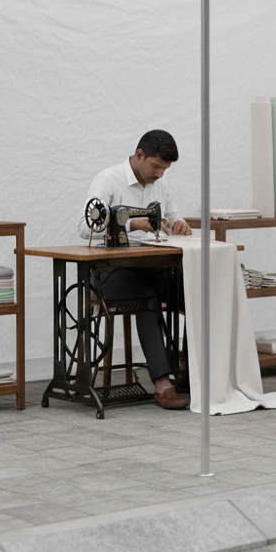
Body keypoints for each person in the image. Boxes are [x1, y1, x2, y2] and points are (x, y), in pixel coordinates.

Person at [78, 129, 193, 410]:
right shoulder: (108, 180)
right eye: (156, 167)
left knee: (195, 292)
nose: (160, 175)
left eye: (165, 169)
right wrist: (129, 224)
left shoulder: (161, 187)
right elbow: (84, 228)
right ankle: (163, 384)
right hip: (111, 270)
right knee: (147, 299)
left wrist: (181, 226)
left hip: (152, 265)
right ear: (139, 155)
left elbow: (174, 221)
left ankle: (192, 372)